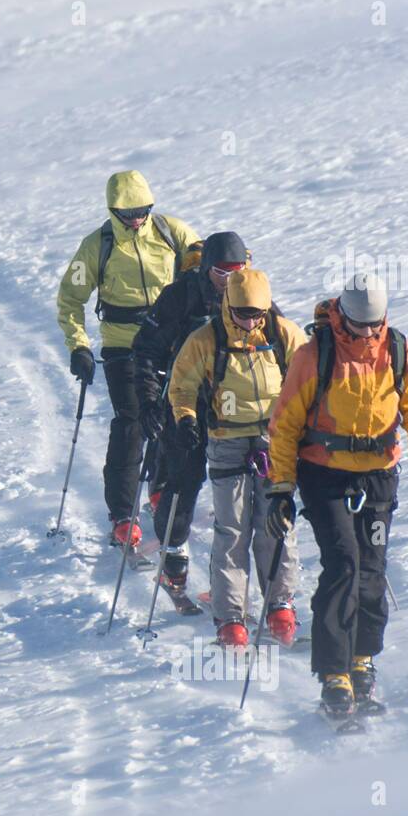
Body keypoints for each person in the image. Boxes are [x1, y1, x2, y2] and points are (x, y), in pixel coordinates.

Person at [265, 274, 408, 718]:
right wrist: (281, 489)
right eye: (359, 325)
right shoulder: (315, 355)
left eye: (374, 324)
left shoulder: (399, 350)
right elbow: (285, 426)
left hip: (379, 476)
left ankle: (363, 659)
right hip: (324, 475)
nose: (367, 333)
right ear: (341, 314)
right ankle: (334, 674)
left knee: (371, 569)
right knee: (344, 564)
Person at [56, 171, 200, 552]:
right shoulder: (97, 246)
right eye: (128, 212)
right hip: (124, 346)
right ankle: (122, 514)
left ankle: (161, 490)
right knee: (132, 423)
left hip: (170, 342)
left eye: (143, 210)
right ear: (112, 209)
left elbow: (204, 269)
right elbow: (70, 299)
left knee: (171, 416)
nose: (136, 218)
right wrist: (79, 346)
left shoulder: (172, 233)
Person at [165, 269, 306, 642]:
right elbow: (181, 385)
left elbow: (310, 381)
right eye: (243, 313)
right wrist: (185, 419)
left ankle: (280, 605)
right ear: (229, 305)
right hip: (227, 440)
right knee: (232, 531)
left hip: (275, 441)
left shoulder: (283, 334)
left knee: (276, 524)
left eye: (257, 313)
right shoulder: (206, 340)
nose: (250, 321)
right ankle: (231, 618)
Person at [132, 231, 250, 593]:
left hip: (238, 407)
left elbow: (279, 348)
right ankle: (174, 553)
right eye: (221, 272)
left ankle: (231, 582)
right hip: (186, 403)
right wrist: (151, 402)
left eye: (238, 270)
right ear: (206, 269)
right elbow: (146, 350)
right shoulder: (180, 296)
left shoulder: (252, 294)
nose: (229, 279)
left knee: (237, 494)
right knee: (184, 481)